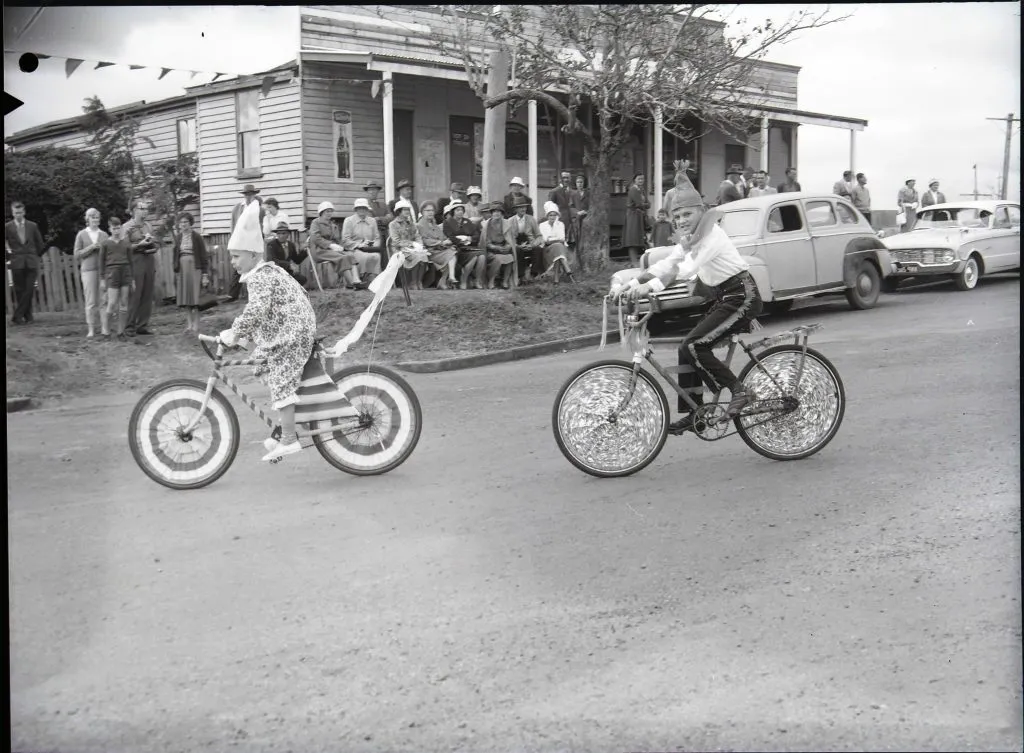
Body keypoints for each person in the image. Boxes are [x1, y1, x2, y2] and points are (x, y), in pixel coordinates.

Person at [612, 169, 762, 435]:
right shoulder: (690, 238)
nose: (681, 220)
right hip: (724, 297)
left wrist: (648, 289)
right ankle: (697, 414)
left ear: (701, 211)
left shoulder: (712, 235)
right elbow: (667, 263)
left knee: (694, 345)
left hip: (742, 296)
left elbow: (685, 271)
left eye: (687, 214)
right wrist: (631, 283)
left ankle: (740, 391)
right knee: (686, 349)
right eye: (677, 216)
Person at [218, 200, 317, 462]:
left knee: (281, 377)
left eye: (237, 256)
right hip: (287, 325)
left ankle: (288, 438)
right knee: (264, 362)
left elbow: (257, 311)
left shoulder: (261, 275)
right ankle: (287, 425)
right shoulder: (261, 273)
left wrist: (235, 330)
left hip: (293, 330)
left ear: (253, 255)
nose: (232, 262)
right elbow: (262, 314)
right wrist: (240, 336)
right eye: (231, 256)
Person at [5, 201, 46, 325]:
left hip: (31, 261)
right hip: (16, 261)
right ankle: (28, 317)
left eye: (20, 212)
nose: (18, 215)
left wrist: (35, 255)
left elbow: (40, 243)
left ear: (24, 212)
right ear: (12, 213)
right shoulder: (7, 227)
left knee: (29, 289)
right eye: (16, 213)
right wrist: (9, 255)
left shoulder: (32, 226)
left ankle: (17, 315)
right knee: (19, 290)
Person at [123, 200, 159, 336]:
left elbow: (156, 243)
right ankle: (129, 327)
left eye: (146, 208)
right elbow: (124, 248)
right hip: (135, 261)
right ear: (134, 210)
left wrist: (153, 245)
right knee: (135, 295)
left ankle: (142, 325)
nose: (145, 210)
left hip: (149, 260)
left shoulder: (148, 226)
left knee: (147, 294)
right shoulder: (126, 227)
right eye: (142, 208)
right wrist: (139, 244)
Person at [308, 201, 363, 290]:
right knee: (342, 258)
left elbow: (338, 240)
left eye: (331, 211)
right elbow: (315, 238)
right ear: (321, 212)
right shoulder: (316, 223)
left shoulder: (333, 225)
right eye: (327, 211)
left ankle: (357, 280)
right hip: (319, 250)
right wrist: (330, 245)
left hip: (331, 250)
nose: (329, 213)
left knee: (350, 255)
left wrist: (343, 247)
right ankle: (351, 284)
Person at [73, 207, 110, 338]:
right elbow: (77, 254)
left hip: (102, 271)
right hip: (88, 271)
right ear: (87, 219)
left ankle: (105, 328)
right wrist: (91, 247)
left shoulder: (104, 235)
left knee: (103, 300)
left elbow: (109, 254)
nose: (95, 219)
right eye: (92, 217)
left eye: (97, 217)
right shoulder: (81, 234)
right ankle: (91, 330)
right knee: (90, 301)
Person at [172, 212, 209, 333]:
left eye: (186, 222)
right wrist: (176, 269)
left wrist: (204, 274)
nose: (183, 225)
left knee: (196, 297)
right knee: (186, 297)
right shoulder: (178, 238)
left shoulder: (197, 237)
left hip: (195, 268)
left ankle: (196, 325)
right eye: (181, 222)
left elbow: (203, 256)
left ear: (190, 223)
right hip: (183, 269)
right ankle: (189, 325)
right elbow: (175, 255)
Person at [98, 215, 133, 340]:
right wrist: (102, 279)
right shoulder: (105, 244)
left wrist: (132, 279)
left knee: (124, 303)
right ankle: (106, 332)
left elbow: (131, 261)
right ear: (109, 229)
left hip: (126, 273)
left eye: (118, 228)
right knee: (112, 303)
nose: (117, 231)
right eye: (114, 229)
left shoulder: (126, 243)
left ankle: (120, 332)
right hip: (112, 273)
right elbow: (101, 263)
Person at [228, 184, 266, 300]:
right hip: (240, 241)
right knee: (238, 267)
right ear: (244, 195)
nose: (249, 197)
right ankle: (233, 295)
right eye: (247, 194)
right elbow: (233, 225)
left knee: (254, 267)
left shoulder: (259, 209)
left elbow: (261, 227)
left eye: (251, 194)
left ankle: (255, 294)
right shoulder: (237, 208)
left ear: (254, 195)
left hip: (253, 242)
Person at [387, 199, 429, 289]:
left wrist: (419, 245)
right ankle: (413, 282)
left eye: (408, 210)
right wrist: (411, 244)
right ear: (399, 211)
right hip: (399, 250)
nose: (407, 212)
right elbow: (396, 241)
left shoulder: (411, 224)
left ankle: (418, 281)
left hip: (412, 249)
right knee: (417, 257)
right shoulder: (393, 224)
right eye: (405, 210)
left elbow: (417, 236)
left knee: (423, 255)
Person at [442, 202, 484, 289]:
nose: (460, 212)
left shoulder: (467, 221)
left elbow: (476, 235)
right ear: (453, 211)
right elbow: (450, 236)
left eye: (461, 210)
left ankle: (477, 280)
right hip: (456, 249)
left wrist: (470, 238)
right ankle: (463, 280)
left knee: (482, 256)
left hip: (469, 247)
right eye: (458, 210)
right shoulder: (448, 222)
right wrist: (461, 241)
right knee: (474, 257)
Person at [417, 201, 458, 289]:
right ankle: (450, 278)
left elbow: (441, 236)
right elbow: (425, 240)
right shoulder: (420, 225)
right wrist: (441, 243)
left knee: (452, 251)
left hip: (438, 250)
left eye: (432, 210)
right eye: (427, 210)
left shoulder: (434, 223)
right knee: (451, 254)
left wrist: (447, 241)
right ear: (422, 212)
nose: (430, 212)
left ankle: (444, 281)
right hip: (429, 252)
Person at [340, 198, 386, 276]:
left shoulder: (372, 221)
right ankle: (361, 278)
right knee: (364, 256)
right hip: (353, 250)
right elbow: (345, 240)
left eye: (364, 208)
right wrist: (359, 245)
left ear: (367, 209)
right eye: (359, 208)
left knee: (376, 256)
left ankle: (372, 279)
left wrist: (372, 244)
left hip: (369, 249)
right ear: (356, 209)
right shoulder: (349, 221)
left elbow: (377, 238)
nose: (362, 210)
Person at [479, 201, 516, 289]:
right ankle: (491, 281)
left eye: (499, 211)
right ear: (491, 213)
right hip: (490, 250)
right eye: (494, 211)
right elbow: (486, 242)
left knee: (510, 257)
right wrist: (496, 248)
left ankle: (505, 281)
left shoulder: (507, 224)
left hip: (503, 247)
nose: (497, 214)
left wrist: (508, 246)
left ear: (502, 213)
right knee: (498, 258)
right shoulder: (487, 225)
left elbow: (510, 239)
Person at [537, 201, 574, 283]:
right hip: (547, 250)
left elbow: (562, 239)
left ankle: (556, 280)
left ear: (557, 216)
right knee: (558, 247)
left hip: (560, 250)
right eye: (550, 215)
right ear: (547, 216)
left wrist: (552, 239)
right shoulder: (542, 225)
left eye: (554, 215)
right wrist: (556, 240)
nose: (552, 217)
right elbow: (545, 240)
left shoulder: (560, 224)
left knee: (558, 250)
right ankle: (567, 268)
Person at [509, 198, 544, 282]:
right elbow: (509, 239)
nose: (523, 209)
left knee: (538, 249)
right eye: (520, 207)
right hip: (517, 245)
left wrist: (532, 245)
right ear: (515, 209)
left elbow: (539, 236)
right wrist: (518, 246)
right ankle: (521, 276)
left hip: (530, 244)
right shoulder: (510, 221)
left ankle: (533, 275)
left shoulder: (531, 219)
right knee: (517, 250)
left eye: (524, 207)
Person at [266, 221, 307, 286]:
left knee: (302, 279)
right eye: (279, 233)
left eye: (283, 233)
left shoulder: (291, 245)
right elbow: (271, 260)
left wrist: (305, 250)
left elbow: (297, 260)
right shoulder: (271, 244)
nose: (281, 236)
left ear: (288, 234)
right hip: (276, 272)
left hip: (287, 272)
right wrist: (289, 265)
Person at [623, 173, 650, 266]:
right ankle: (634, 261)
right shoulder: (633, 189)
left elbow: (648, 204)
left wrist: (644, 205)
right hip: (633, 216)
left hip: (640, 215)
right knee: (632, 238)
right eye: (639, 179)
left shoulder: (642, 190)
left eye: (642, 179)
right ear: (635, 180)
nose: (641, 181)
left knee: (641, 238)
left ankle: (642, 261)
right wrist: (644, 204)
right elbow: (639, 203)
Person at [568, 174, 589, 255]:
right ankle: (577, 253)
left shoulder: (588, 194)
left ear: (584, 183)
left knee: (585, 237)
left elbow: (591, 205)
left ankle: (585, 252)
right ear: (576, 184)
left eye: (581, 182)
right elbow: (571, 206)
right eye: (578, 182)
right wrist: (577, 212)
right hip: (577, 218)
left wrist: (586, 211)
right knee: (576, 236)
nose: (579, 184)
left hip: (586, 218)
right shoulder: (573, 194)